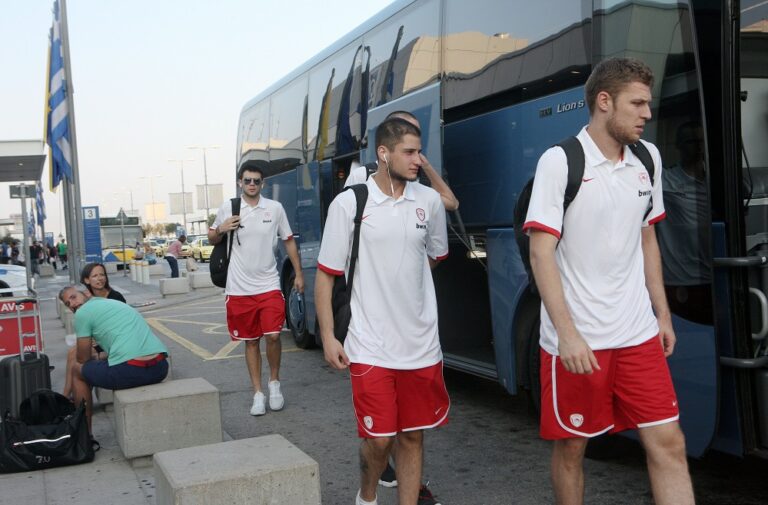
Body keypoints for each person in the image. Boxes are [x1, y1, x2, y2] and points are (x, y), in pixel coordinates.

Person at [523, 57, 695, 505]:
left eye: (647, 104)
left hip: (637, 333)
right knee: (572, 449)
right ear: (604, 101)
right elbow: (541, 252)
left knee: (669, 442)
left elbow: (647, 238)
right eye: (636, 104)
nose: (647, 114)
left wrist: (662, 315)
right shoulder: (561, 161)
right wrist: (567, 334)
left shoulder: (648, 158)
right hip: (580, 338)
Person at [315, 117, 449, 505]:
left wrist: (403, 280)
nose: (418, 160)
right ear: (384, 154)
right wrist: (328, 336)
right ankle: (367, 495)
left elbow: (434, 256)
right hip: (369, 344)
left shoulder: (428, 202)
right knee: (379, 438)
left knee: (412, 435)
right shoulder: (349, 203)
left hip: (420, 345)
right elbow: (326, 276)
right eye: (409, 152)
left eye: (420, 151)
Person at [209, 166, 304, 416]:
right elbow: (211, 237)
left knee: (273, 336)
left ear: (263, 184)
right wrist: (221, 228)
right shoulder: (228, 208)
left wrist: (298, 273)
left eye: (256, 181)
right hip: (239, 288)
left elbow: (288, 240)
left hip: (268, 284)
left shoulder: (274, 208)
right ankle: (258, 393)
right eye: (248, 180)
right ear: (240, 183)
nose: (252, 184)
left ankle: (274, 383)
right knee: (251, 341)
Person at [58, 286, 169, 431]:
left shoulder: (82, 313)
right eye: (68, 303)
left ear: (85, 294)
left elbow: (82, 358)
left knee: (77, 370)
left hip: (131, 371)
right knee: (94, 363)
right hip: (160, 367)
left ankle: (84, 434)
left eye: (73, 297)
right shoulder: (114, 303)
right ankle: (70, 404)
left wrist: (93, 355)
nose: (72, 304)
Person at [346, 111, 459, 212]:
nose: (414, 135)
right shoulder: (361, 175)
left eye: (417, 132)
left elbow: (452, 203)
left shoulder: (420, 175)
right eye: (406, 128)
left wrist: (426, 166)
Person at [62, 263, 127, 399]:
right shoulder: (86, 301)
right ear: (87, 280)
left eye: (102, 275)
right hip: (103, 344)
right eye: (95, 276)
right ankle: (69, 396)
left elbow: (118, 328)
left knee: (77, 357)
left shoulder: (114, 298)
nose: (100, 279)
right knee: (74, 353)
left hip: (117, 345)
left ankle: (67, 397)